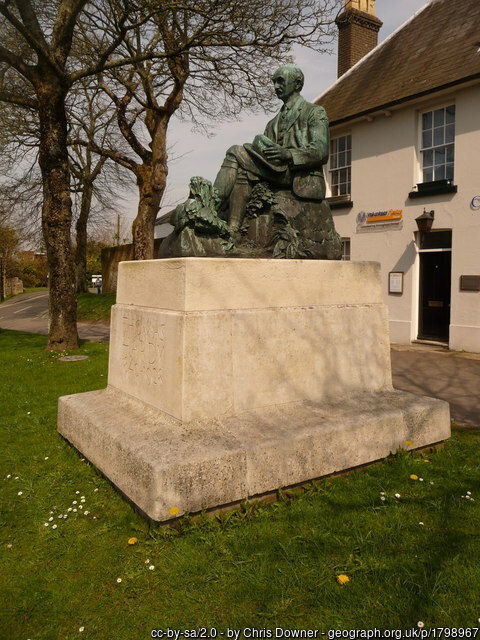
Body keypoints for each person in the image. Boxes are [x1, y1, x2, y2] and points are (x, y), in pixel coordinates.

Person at [213, 64, 330, 229]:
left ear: (297, 84)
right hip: (276, 172)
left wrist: (288, 154)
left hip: (300, 175)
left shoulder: (315, 112)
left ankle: (211, 206)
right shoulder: (272, 123)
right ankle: (232, 228)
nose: (276, 86)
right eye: (274, 82)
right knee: (243, 168)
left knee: (235, 151)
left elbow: (320, 151)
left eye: (280, 81)